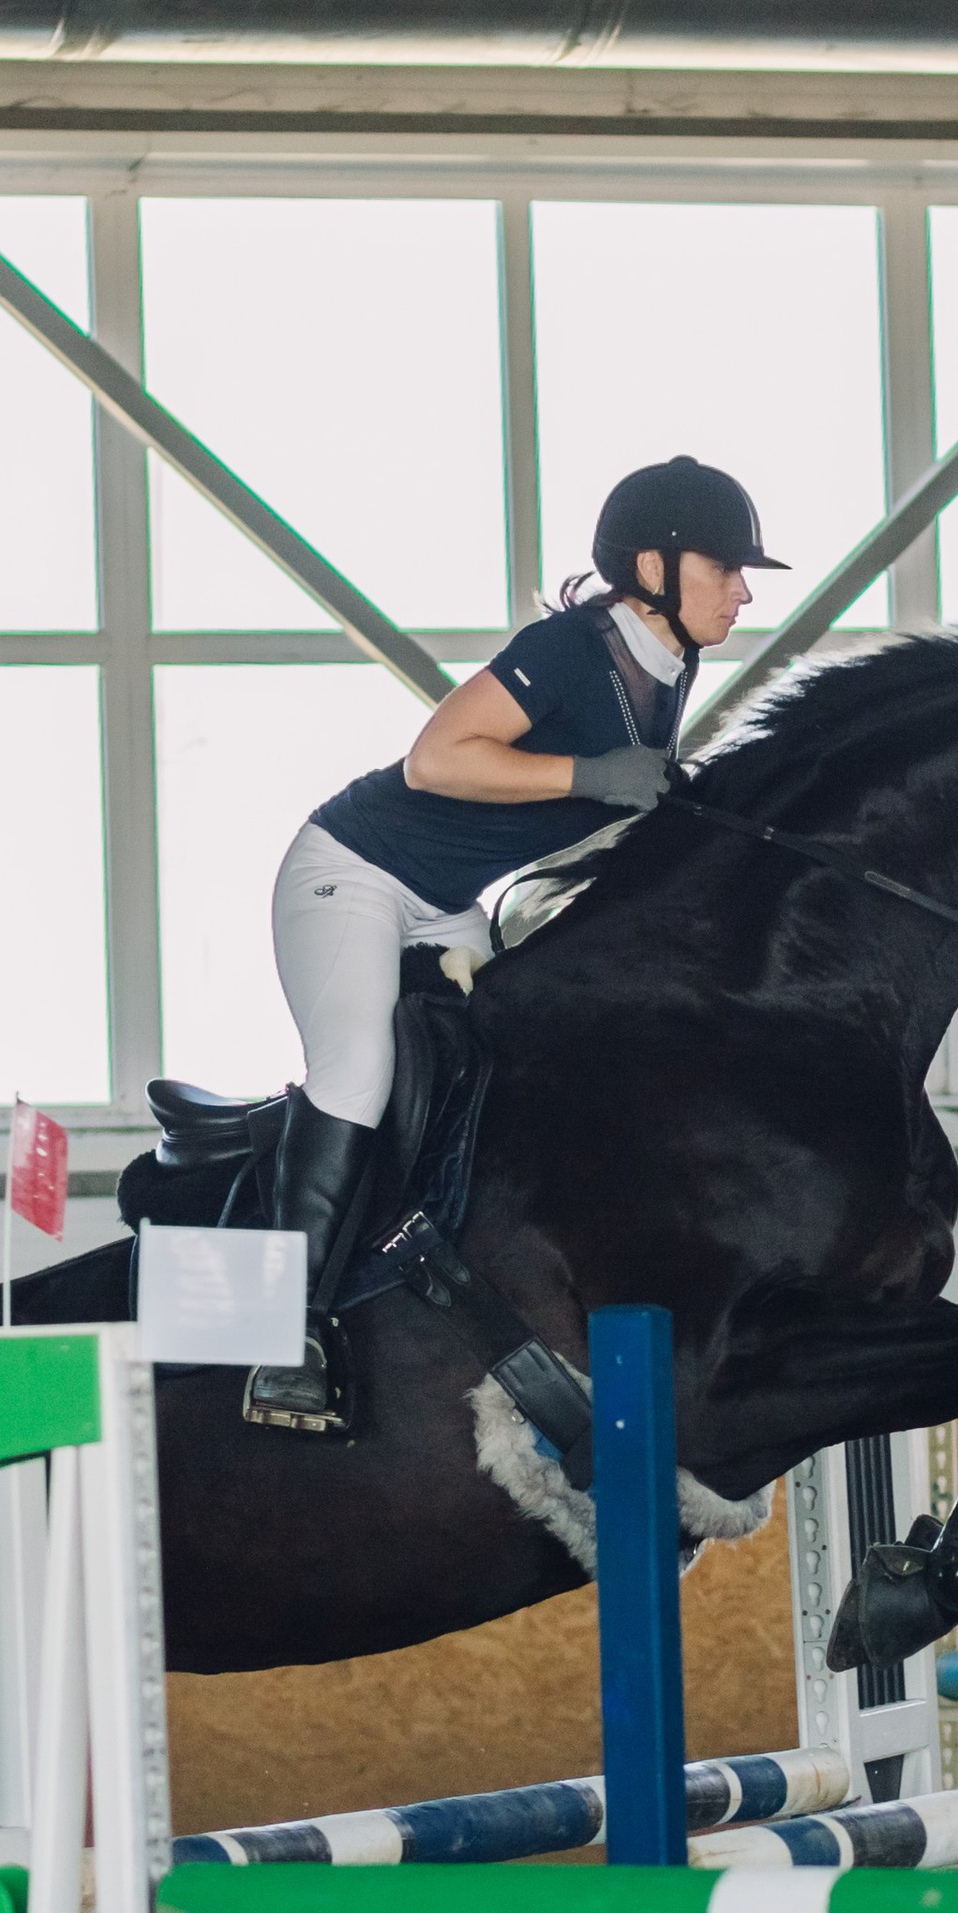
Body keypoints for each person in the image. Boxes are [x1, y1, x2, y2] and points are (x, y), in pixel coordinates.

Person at [244, 456, 784, 1434]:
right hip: (351, 872)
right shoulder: (572, 649)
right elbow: (436, 757)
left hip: (448, 902)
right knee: (359, 1067)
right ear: (654, 567)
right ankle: (286, 1339)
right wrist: (587, 773)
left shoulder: (670, 663)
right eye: (726, 567)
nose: (743, 591)